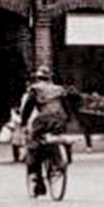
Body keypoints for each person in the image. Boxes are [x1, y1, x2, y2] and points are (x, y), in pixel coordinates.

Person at [20, 65, 69, 196]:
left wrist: (23, 123)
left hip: (43, 120)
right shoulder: (59, 89)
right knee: (56, 138)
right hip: (60, 120)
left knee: (33, 145)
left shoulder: (35, 89)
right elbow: (66, 106)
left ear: (37, 78)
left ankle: (38, 179)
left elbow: (28, 108)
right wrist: (66, 119)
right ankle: (59, 161)